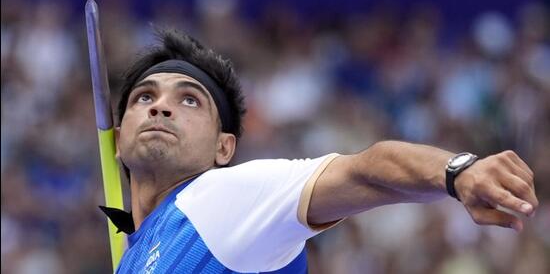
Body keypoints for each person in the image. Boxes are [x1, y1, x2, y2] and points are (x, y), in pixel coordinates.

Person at [103, 29, 538, 273]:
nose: (159, 105)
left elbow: (362, 170)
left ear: (224, 147)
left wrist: (456, 171)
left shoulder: (220, 198)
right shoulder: (136, 255)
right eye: (143, 97)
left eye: (190, 99)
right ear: (119, 139)